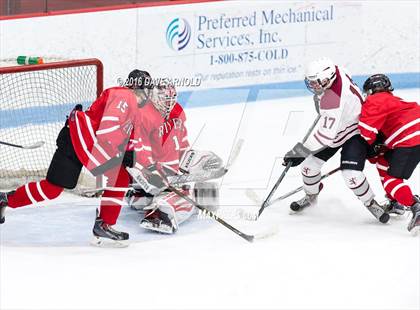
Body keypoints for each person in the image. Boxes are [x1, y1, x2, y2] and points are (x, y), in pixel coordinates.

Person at [0, 69, 161, 247]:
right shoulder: (123, 96)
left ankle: (6, 199)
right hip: (78, 140)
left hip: (83, 143)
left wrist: (137, 158)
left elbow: (130, 138)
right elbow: (108, 129)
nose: (147, 95)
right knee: (58, 188)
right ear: (137, 88)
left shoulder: (132, 106)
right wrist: (123, 154)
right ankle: (104, 226)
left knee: (57, 188)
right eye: (146, 89)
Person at [283, 58, 389, 223]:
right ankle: (311, 196)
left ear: (329, 78)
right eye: (311, 82)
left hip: (356, 131)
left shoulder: (333, 100)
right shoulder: (339, 70)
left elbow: (324, 137)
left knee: (351, 174)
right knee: (309, 167)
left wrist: (299, 152)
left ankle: (370, 203)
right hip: (339, 127)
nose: (314, 86)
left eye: (317, 82)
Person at [126, 78, 222, 234]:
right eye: (165, 99)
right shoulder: (143, 116)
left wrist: (195, 159)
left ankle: (142, 199)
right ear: (154, 97)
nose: (169, 103)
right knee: (186, 198)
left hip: (168, 173)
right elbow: (139, 150)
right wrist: (151, 171)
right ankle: (158, 213)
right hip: (145, 172)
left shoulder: (177, 112)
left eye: (172, 98)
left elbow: (182, 143)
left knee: (201, 190)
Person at [359, 74, 420, 234]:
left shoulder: (373, 101)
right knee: (383, 161)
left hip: (409, 139)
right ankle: (396, 203)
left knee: (391, 180)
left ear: (370, 91)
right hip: (412, 135)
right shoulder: (393, 100)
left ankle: (416, 207)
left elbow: (366, 134)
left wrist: (363, 152)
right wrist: (377, 150)